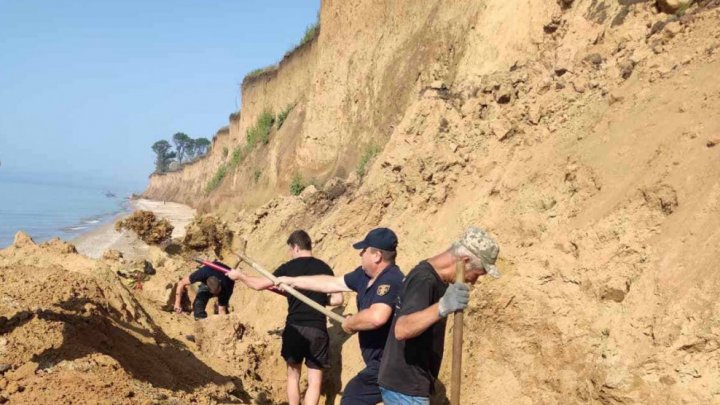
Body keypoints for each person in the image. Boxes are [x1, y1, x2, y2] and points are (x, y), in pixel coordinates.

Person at [278, 227, 404, 405]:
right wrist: (293, 281)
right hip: (379, 364)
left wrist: (351, 322)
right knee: (354, 396)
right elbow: (331, 283)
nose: (361, 253)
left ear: (376, 256)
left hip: (393, 363)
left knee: (354, 397)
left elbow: (377, 317)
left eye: (364, 250)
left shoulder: (391, 279)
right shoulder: (363, 275)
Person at [377, 226, 500, 404]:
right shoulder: (424, 280)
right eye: (477, 274)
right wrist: (442, 306)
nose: (474, 281)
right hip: (405, 387)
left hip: (406, 385)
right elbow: (402, 329)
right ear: (464, 260)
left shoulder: (433, 277)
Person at [227, 230, 343, 405]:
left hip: (295, 328)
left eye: (290, 249)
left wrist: (240, 276)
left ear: (296, 247)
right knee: (315, 381)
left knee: (293, 376)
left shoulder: (288, 268)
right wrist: (317, 298)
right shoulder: (324, 268)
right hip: (317, 330)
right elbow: (338, 299)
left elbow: (259, 285)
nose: (290, 253)